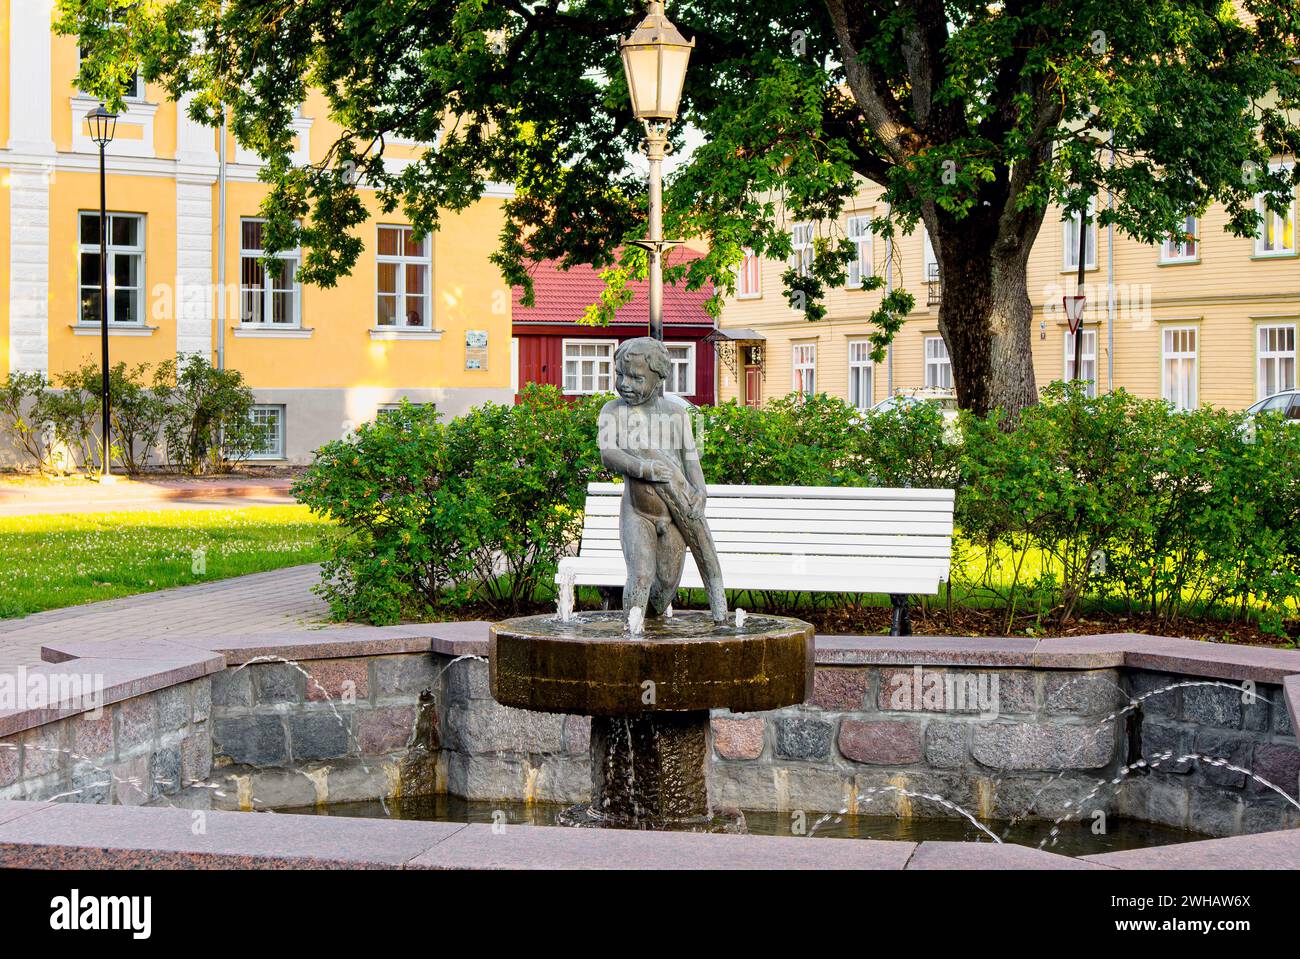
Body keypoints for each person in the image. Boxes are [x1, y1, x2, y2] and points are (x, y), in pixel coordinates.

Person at [597, 337, 726, 622]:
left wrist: (701, 492)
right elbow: (608, 454)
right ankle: (631, 636)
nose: (625, 384)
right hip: (637, 512)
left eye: (635, 377)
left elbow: (690, 460)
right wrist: (645, 469)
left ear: (658, 378)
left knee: (665, 586)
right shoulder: (613, 411)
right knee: (641, 574)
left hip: (675, 519)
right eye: (620, 375)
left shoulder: (675, 414)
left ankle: (651, 629)